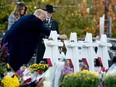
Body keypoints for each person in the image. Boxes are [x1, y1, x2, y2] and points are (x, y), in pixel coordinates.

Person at [2, 9, 67, 71]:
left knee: (7, 60)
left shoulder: (27, 18)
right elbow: (44, 30)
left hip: (8, 39)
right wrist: (59, 36)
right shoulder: (35, 20)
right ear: (38, 15)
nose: (44, 19)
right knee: (15, 61)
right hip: (15, 42)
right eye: (43, 17)